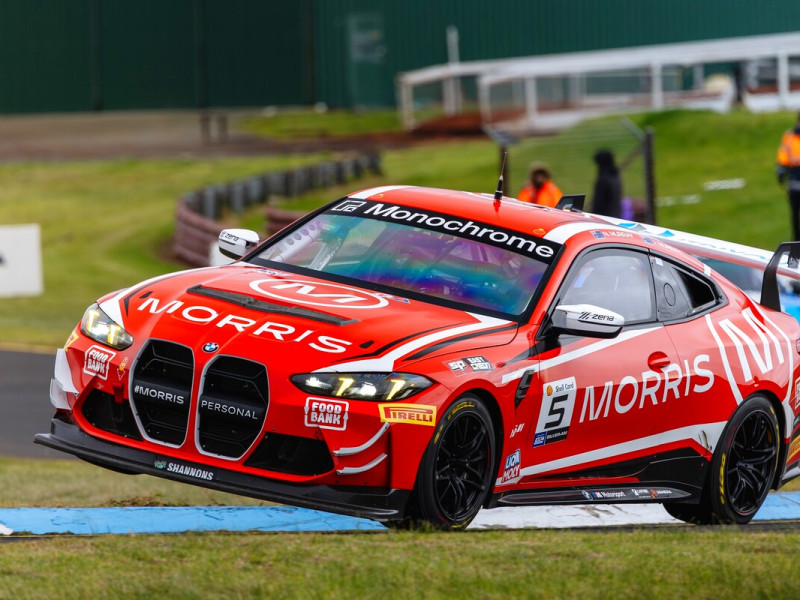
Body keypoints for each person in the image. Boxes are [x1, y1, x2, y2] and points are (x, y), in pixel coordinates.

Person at [777, 112, 800, 240]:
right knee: (795, 216)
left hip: (794, 182)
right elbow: (784, 155)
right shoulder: (790, 137)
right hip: (794, 182)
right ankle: (797, 243)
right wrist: (781, 170)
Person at [591, 149, 623, 218]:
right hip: (616, 214)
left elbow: (599, 203)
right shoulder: (615, 176)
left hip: (603, 217)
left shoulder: (603, 180)